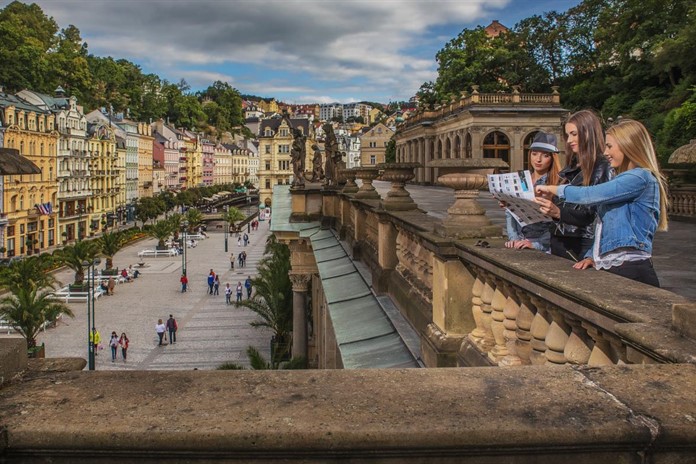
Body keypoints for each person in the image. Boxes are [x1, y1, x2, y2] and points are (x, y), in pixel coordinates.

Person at [535, 119, 668, 287]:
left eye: (609, 146)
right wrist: (593, 255)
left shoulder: (639, 177)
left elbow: (589, 195)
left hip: (631, 268)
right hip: (616, 266)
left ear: (628, 145)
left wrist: (554, 189)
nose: (605, 152)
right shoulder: (625, 178)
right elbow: (601, 226)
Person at [535, 110, 612, 261]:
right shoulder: (572, 167)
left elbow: (594, 215)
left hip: (581, 243)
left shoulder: (602, 167)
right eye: (568, 135)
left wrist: (558, 212)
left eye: (574, 134)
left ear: (589, 133)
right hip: (560, 239)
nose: (569, 140)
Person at [504, 132, 561, 252]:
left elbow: (557, 221)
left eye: (545, 155)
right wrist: (513, 238)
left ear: (552, 158)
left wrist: (537, 244)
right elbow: (510, 212)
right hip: (520, 239)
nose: (538, 160)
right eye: (534, 154)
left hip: (544, 244)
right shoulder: (522, 179)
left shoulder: (557, 183)